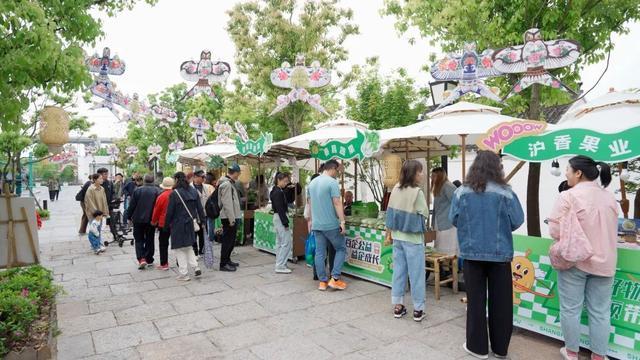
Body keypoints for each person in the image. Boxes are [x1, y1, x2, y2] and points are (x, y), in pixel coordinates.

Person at [449, 150, 525, 359]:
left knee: (475, 301)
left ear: (475, 166)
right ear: (497, 168)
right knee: (501, 302)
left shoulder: (461, 192)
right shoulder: (506, 192)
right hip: (500, 255)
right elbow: (517, 220)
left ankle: (477, 347)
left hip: (472, 255)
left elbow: (453, 218)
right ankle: (500, 348)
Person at [547, 156, 617, 360]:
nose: (566, 173)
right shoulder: (609, 197)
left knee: (570, 309)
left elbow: (554, 230)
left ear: (578, 173)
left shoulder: (568, 196)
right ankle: (598, 356)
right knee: (601, 312)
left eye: (568, 169)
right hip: (606, 261)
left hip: (576, 261)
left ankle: (571, 352)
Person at [385, 160, 429, 322]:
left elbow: (389, 212)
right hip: (413, 238)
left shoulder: (396, 188)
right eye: (420, 172)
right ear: (413, 174)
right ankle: (418, 309)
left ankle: (398, 306)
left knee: (399, 271)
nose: (422, 174)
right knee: (416, 274)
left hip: (397, 236)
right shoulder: (417, 192)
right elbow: (424, 213)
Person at [308, 159, 347, 291]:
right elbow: (337, 203)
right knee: (341, 249)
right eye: (337, 171)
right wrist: (342, 221)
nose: (337, 173)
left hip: (317, 224)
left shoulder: (312, 183)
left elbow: (310, 204)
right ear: (333, 168)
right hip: (330, 224)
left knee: (319, 253)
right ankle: (335, 278)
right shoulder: (331, 182)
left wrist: (311, 221)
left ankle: (322, 282)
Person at [165, 172, 204, 281]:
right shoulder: (193, 191)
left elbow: (170, 212)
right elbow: (200, 208)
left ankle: (184, 274)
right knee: (188, 246)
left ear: (176, 179)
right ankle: (196, 267)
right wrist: (203, 221)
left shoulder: (175, 193)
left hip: (178, 224)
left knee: (179, 249)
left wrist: (166, 225)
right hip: (191, 223)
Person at [126, 174, 160, 269]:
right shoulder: (157, 191)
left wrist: (128, 216)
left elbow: (132, 205)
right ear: (153, 181)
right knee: (150, 238)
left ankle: (141, 259)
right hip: (151, 219)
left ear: (144, 180)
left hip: (138, 219)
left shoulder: (137, 190)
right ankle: (149, 258)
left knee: (139, 239)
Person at [218, 164, 243, 272]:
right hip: (228, 217)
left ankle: (227, 260)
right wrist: (231, 219)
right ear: (236, 173)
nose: (239, 175)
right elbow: (227, 203)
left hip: (231, 216)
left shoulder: (229, 183)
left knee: (231, 240)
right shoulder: (226, 184)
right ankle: (223, 264)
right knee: (227, 241)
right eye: (239, 173)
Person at [431, 167, 458, 255]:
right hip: (441, 222)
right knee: (441, 246)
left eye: (434, 176)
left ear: (439, 176)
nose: (432, 178)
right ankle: (444, 266)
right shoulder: (439, 187)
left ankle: (447, 267)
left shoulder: (447, 186)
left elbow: (457, 202)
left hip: (448, 223)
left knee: (447, 248)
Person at [271, 172, 293, 274]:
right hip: (280, 217)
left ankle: (279, 263)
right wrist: (285, 223)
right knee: (286, 242)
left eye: (287, 181)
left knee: (280, 242)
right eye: (284, 181)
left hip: (278, 217)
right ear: (279, 180)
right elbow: (280, 209)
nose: (286, 183)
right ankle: (280, 265)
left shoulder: (276, 190)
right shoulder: (278, 192)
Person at [151, 177, 175, 271]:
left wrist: (153, 221)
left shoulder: (161, 196)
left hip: (163, 223)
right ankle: (179, 262)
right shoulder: (176, 194)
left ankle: (164, 264)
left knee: (163, 243)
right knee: (177, 243)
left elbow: (156, 210)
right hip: (175, 222)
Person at [192, 169, 214, 256]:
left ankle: (202, 249)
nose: (203, 179)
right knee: (194, 234)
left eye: (204, 177)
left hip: (204, 214)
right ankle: (194, 251)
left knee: (203, 233)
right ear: (195, 177)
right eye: (202, 177)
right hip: (194, 215)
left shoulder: (206, 187)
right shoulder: (190, 187)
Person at [205, 172, 218, 242]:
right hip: (210, 208)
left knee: (206, 223)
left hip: (204, 207)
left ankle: (206, 237)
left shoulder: (203, 186)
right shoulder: (211, 187)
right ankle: (211, 238)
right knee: (210, 223)